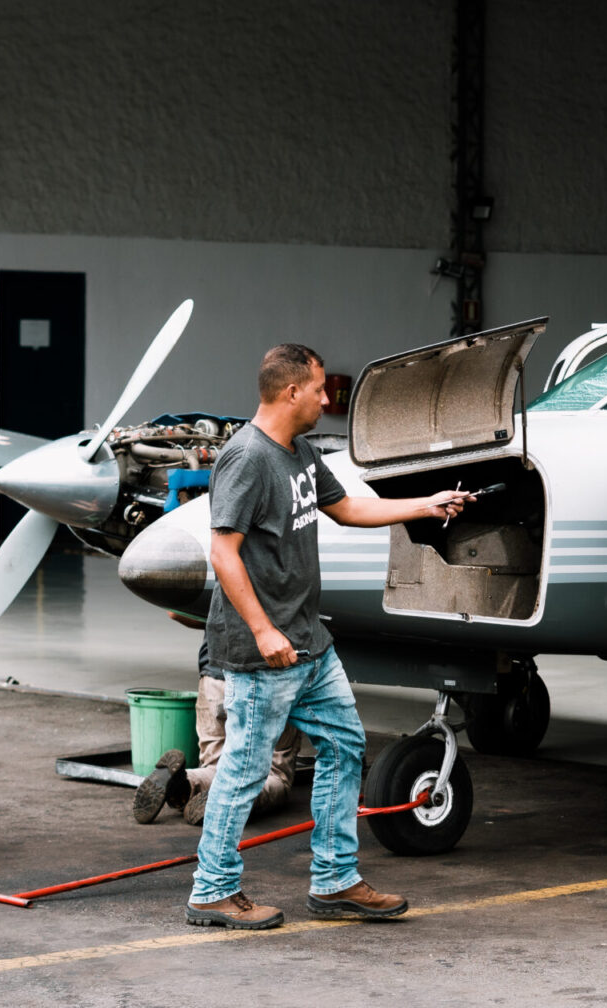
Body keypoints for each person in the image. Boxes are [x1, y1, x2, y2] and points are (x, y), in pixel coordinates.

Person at [185, 343, 473, 931]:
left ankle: (336, 879)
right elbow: (223, 552)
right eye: (319, 389)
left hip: (309, 642)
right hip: (264, 650)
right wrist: (263, 630)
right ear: (291, 391)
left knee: (345, 746)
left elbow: (345, 508)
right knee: (244, 770)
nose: (326, 398)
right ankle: (212, 891)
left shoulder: (300, 451)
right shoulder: (247, 458)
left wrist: (426, 505)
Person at [130, 638, 301, 827]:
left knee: (216, 766)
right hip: (268, 679)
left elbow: (185, 619)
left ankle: (184, 784)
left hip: (214, 676)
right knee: (274, 774)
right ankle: (229, 799)